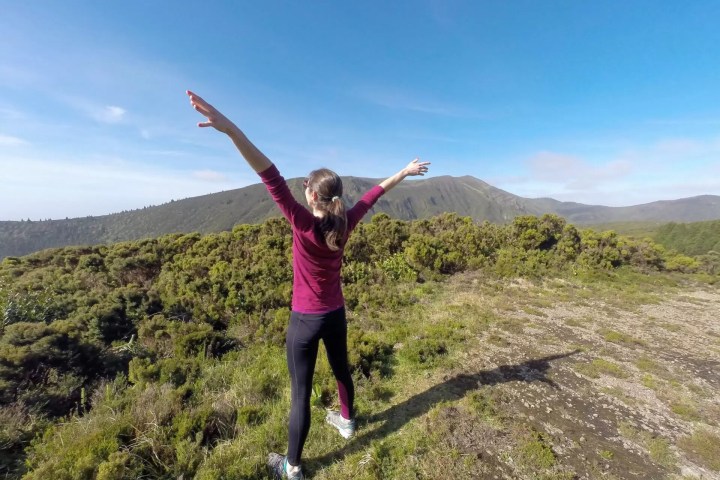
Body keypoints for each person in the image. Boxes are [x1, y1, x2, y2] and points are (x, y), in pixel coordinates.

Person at [187, 90, 430, 480]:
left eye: (305, 187)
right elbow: (374, 194)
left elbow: (268, 174)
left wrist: (230, 129)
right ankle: (347, 422)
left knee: (301, 394)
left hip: (304, 320)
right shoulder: (345, 221)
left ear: (313, 195)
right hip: (335, 314)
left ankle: (293, 467)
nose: (301, 189)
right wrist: (403, 171)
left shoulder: (302, 222)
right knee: (341, 369)